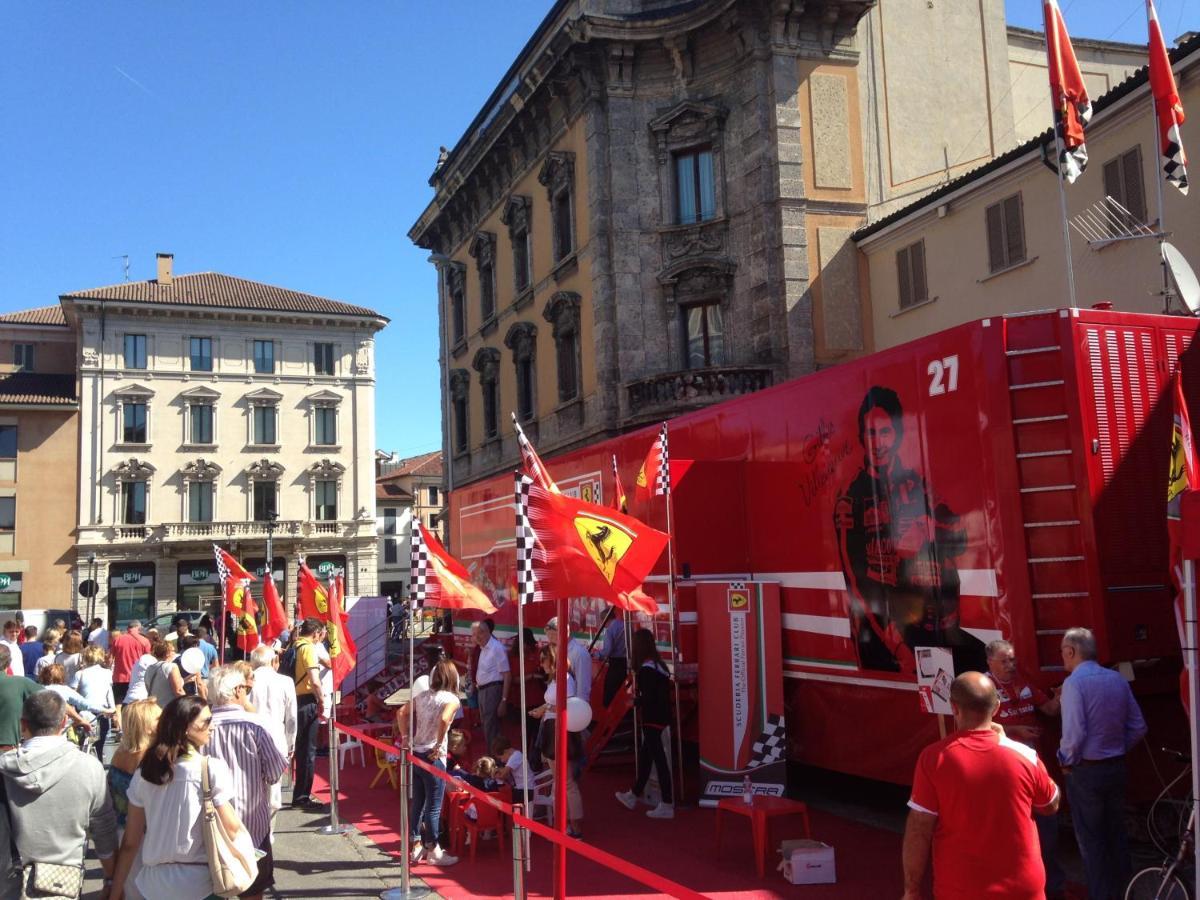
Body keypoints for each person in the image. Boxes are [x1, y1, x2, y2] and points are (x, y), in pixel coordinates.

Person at [834, 386, 986, 674]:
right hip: (884, 635)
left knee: (981, 665)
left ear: (898, 434)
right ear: (861, 438)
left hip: (933, 627)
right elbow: (855, 581)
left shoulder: (917, 484)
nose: (878, 442)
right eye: (871, 433)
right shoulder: (851, 496)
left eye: (886, 432)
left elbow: (961, 537)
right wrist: (893, 641)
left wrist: (930, 529)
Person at [902, 671, 1059, 900]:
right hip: (1023, 890)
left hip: (961, 890)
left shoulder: (933, 758)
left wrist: (912, 890)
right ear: (996, 709)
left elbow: (919, 829)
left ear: (954, 708)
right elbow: (1050, 804)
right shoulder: (1026, 755)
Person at [110, 695, 250, 900]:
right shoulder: (210, 769)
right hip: (200, 882)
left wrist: (115, 890)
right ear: (186, 728)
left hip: (154, 884)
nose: (212, 727)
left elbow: (131, 842)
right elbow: (231, 827)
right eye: (207, 722)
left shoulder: (145, 773)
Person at [1057, 627, 1147, 900]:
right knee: (1116, 835)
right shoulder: (1116, 679)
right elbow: (1139, 726)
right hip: (1116, 766)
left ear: (1071, 651)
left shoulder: (1074, 683)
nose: (1062, 657)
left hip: (1087, 771)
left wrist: (1065, 759)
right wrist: (1117, 748)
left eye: (1063, 651)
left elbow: (1074, 734)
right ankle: (1126, 892)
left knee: (1092, 843)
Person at [0, 691, 118, 897]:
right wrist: (110, 878)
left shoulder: (4, 768)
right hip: (61, 883)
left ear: (23, 724)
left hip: (8, 885)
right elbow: (104, 832)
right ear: (63, 722)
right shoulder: (89, 767)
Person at [983, 638, 1065, 898]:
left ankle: (1052, 887)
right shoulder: (984, 689)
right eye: (1004, 660)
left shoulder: (1023, 682)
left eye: (1012, 659)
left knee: (1048, 829)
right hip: (1003, 773)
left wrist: (1065, 692)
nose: (1010, 665)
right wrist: (1013, 730)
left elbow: (1050, 710)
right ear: (990, 662)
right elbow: (976, 728)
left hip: (1034, 767)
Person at [204, 666, 287, 899]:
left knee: (213, 888)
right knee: (252, 891)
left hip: (211, 827)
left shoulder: (200, 729)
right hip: (252, 827)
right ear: (239, 690)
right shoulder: (256, 727)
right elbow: (274, 773)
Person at [396, 659, 461, 867]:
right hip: (434, 756)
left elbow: (401, 712)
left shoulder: (422, 696)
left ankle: (416, 844)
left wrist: (405, 736)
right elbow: (443, 719)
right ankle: (433, 848)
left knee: (418, 802)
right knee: (433, 806)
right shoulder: (451, 699)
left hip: (417, 752)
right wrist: (440, 742)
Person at [615, 628, 674, 819]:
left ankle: (666, 803)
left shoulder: (647, 670)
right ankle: (634, 794)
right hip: (660, 717)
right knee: (647, 758)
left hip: (652, 718)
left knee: (658, 760)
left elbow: (649, 697)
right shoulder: (660, 667)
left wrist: (635, 702)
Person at [108, 699, 161, 900]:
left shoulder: (119, 754)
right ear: (146, 727)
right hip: (146, 837)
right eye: (158, 718)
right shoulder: (151, 760)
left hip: (122, 832)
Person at [531, 644, 583, 838]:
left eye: (543, 659)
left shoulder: (565, 679)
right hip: (552, 729)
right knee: (560, 780)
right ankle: (566, 822)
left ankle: (575, 825)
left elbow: (567, 706)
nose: (540, 663)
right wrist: (544, 709)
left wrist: (545, 710)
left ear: (552, 661)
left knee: (566, 781)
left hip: (561, 730)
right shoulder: (556, 680)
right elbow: (555, 704)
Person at [249, 645, 297, 833]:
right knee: (273, 789)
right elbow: (291, 717)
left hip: (251, 738)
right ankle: (268, 833)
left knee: (252, 784)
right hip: (276, 738)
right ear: (273, 661)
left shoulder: (248, 681)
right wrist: (291, 741)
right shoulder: (285, 682)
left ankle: (257, 830)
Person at [291, 617, 330, 809]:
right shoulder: (308, 648)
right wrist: (322, 700)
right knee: (308, 751)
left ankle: (300, 793)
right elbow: (314, 680)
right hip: (306, 701)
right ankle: (302, 797)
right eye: (321, 634)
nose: (321, 638)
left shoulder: (295, 645)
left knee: (301, 749)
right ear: (315, 633)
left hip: (295, 701)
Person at [471, 619, 511, 754]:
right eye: (474, 635)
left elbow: (506, 674)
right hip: (482, 691)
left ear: (486, 633)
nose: (476, 638)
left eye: (478, 635)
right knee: (488, 727)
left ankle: (494, 760)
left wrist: (504, 700)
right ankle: (493, 759)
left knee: (491, 728)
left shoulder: (496, 648)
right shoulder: (483, 648)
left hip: (492, 690)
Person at [72, 643, 117, 760]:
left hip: (84, 713)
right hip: (103, 711)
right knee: (100, 745)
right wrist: (113, 709)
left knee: (82, 745)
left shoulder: (80, 674)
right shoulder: (107, 673)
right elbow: (109, 692)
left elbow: (73, 695)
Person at [0, 646, 41, 751]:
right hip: (5, 752)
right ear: (9, 664)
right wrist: (79, 719)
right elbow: (53, 699)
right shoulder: (20, 683)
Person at [545, 616, 592, 706]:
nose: (550, 639)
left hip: (571, 709)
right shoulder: (555, 650)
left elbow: (583, 689)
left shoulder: (580, 654)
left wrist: (578, 711)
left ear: (565, 633)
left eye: (553, 635)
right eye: (548, 636)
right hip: (555, 707)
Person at [111, 621, 152, 705]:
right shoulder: (144, 641)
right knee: (136, 706)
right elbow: (148, 660)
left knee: (118, 705)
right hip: (137, 679)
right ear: (138, 628)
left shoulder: (118, 640)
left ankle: (119, 718)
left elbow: (110, 658)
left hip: (119, 678)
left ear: (128, 628)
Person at [491, 734, 531, 809]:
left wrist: (494, 774)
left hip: (525, 790)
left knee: (505, 797)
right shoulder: (516, 754)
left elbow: (503, 774)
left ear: (506, 751)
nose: (502, 761)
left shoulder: (514, 757)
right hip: (524, 788)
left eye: (501, 758)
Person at [598, 613, 627, 708]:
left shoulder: (610, 630)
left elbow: (607, 651)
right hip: (626, 663)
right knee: (623, 692)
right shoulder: (627, 626)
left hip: (615, 664)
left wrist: (596, 654)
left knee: (610, 694)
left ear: (606, 619)